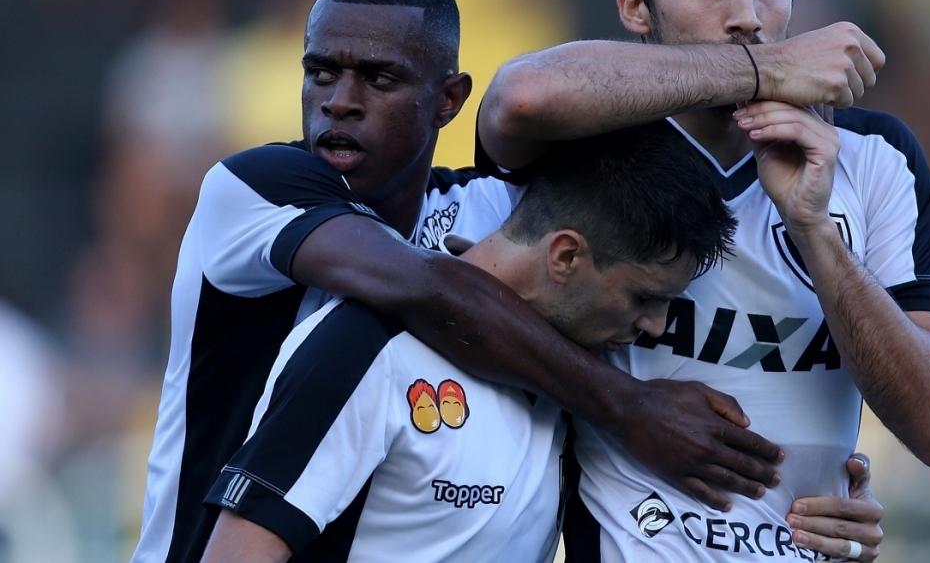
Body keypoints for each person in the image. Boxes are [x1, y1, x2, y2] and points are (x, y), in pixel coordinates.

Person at [130, 0, 876, 563]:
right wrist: (763, 66)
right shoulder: (255, 190)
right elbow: (428, 288)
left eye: (379, 78)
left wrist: (801, 501)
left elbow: (603, 280)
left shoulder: (494, 217)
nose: (339, 101)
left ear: (451, 98)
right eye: (321, 72)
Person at [476, 0, 930, 560]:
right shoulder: (591, 141)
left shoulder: (874, 158)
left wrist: (817, 233)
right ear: (634, 6)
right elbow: (519, 96)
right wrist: (767, 69)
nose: (747, 16)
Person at [195, 124, 739, 562]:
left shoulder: (572, 385)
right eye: (644, 297)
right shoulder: (368, 347)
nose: (657, 326)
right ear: (566, 256)